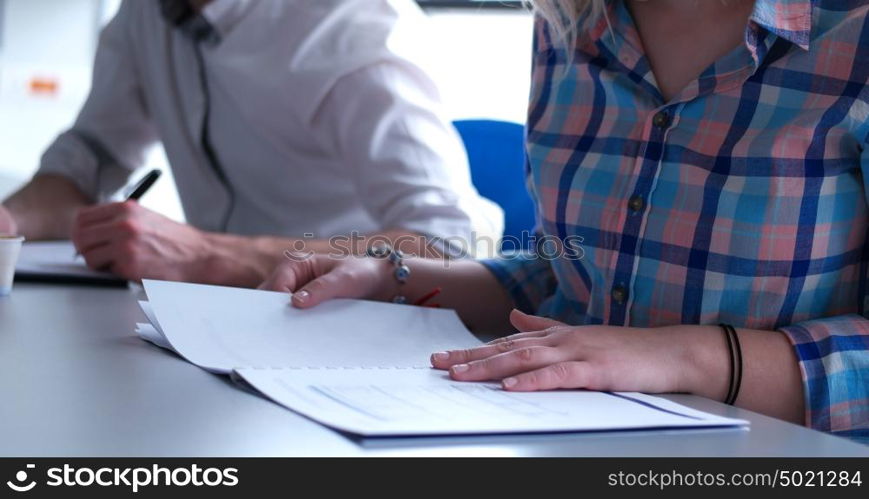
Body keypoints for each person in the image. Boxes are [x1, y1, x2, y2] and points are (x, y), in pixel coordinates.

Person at [261, 0, 869, 442]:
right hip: (567, 445)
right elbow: (575, 280)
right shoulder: (565, 26)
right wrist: (397, 279)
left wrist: (685, 358)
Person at [0, 0, 501, 286]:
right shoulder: (147, 15)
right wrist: (10, 220)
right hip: (211, 328)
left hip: (349, 340)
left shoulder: (355, 28)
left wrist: (209, 254)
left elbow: (450, 244)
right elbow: (86, 161)